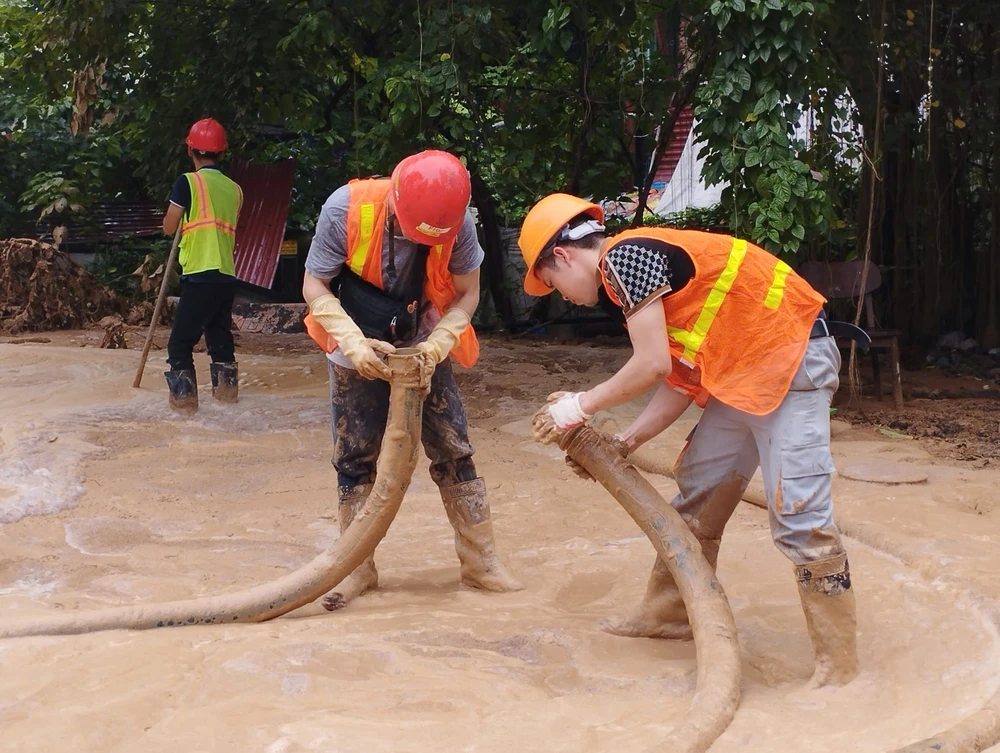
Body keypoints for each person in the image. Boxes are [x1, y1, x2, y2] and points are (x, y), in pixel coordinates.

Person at [520, 193, 868, 688]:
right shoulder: (637, 278)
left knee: (801, 519)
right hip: (745, 372)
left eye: (553, 284)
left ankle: (840, 666)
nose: (563, 296)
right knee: (698, 491)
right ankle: (670, 615)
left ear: (563, 255)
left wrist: (579, 406)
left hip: (792, 362)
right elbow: (679, 377)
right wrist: (626, 442)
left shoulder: (625, 258)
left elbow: (651, 364)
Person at [301, 150, 522, 610]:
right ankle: (355, 568)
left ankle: (482, 565)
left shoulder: (457, 222)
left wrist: (438, 343)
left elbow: (468, 291)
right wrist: (353, 342)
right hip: (354, 334)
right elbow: (314, 284)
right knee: (354, 456)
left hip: (423, 340)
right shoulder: (344, 208)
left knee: (454, 447)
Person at [161, 118, 243, 414]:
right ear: (221, 153)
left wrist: (176, 219)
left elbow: (170, 226)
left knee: (179, 346)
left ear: (190, 150)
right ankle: (227, 403)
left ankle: (184, 412)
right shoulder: (235, 190)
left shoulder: (187, 182)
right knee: (219, 340)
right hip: (226, 276)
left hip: (200, 273)